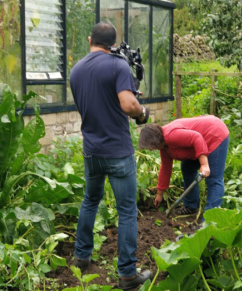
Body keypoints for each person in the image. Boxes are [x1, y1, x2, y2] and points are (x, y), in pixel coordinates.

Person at [69, 22, 152, 290]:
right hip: (118, 152)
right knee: (127, 211)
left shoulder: (76, 70)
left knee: (90, 201)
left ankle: (81, 256)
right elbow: (128, 104)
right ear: (113, 44)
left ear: (90, 39)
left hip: (91, 151)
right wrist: (142, 113)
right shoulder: (118, 66)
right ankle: (127, 275)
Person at [138, 115, 229, 218]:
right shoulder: (164, 147)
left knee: (213, 180)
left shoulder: (171, 135)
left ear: (154, 141)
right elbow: (165, 168)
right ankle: (191, 206)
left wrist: (204, 164)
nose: (150, 150)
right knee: (187, 167)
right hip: (201, 141)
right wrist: (159, 194)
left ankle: (210, 221)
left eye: (150, 147)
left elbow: (196, 137)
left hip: (214, 134)